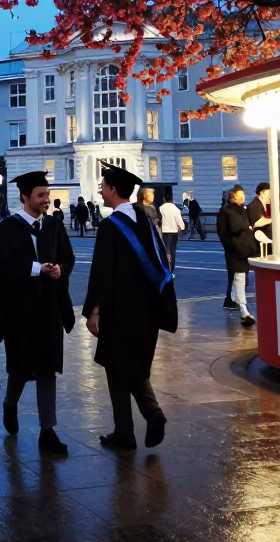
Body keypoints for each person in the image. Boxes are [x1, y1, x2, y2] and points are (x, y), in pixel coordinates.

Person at [83, 161, 175, 451]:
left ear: (112, 190)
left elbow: (102, 271)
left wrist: (94, 309)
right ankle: (124, 431)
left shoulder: (111, 226)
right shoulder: (147, 220)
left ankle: (152, 414)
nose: (101, 189)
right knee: (126, 364)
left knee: (121, 364)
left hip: (119, 310)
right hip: (148, 309)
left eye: (103, 186)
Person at [0, 170, 75, 455]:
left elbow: (68, 257)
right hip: (20, 310)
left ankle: (47, 430)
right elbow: (0, 266)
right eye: (40, 195)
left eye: (47, 195)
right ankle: (10, 404)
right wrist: (37, 268)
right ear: (24, 197)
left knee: (48, 367)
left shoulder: (53, 225)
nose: (46, 200)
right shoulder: (7, 229)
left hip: (49, 307)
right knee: (21, 367)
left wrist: (60, 269)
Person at [217, 186, 257, 325]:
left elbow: (247, 229)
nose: (243, 198)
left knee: (241, 279)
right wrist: (233, 245)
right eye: (240, 195)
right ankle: (243, 310)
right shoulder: (225, 212)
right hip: (235, 251)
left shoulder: (243, 210)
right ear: (232, 197)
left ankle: (233, 299)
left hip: (245, 249)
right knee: (239, 279)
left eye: (243, 195)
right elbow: (223, 234)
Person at [158, 192, 185, 273]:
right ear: (172, 200)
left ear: (164, 199)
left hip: (165, 231)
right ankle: (171, 270)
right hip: (174, 232)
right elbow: (180, 223)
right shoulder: (176, 209)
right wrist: (182, 228)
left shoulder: (161, 208)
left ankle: (166, 268)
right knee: (173, 252)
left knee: (166, 251)